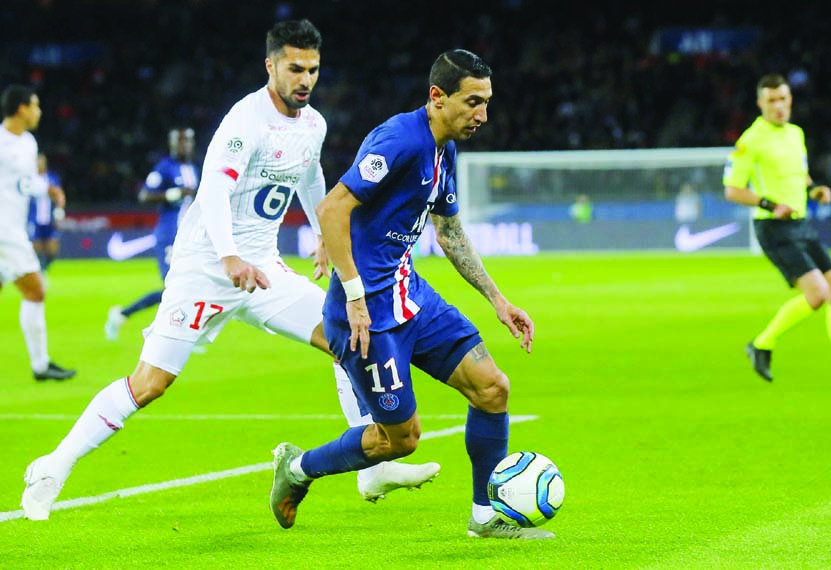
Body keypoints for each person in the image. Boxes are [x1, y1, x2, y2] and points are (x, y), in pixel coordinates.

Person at [20, 19, 439, 522]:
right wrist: (228, 257)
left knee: (344, 338)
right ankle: (53, 468)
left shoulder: (313, 124)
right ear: (271, 66)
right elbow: (214, 191)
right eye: (294, 68)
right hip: (207, 268)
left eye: (313, 69)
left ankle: (370, 468)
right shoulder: (245, 120)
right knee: (149, 383)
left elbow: (311, 176)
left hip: (263, 270)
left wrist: (324, 238)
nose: (305, 79)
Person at [268, 49, 553, 540]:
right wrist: (355, 297)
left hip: (410, 297)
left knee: (492, 388)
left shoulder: (446, 148)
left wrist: (498, 301)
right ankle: (298, 469)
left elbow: (449, 233)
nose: (482, 115)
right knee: (400, 441)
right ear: (437, 97)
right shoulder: (398, 140)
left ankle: (485, 516)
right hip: (366, 318)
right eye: (473, 102)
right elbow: (334, 210)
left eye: (486, 103)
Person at [724, 73, 831, 386]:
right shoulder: (750, 141)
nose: (778, 106)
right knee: (818, 294)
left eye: (783, 99)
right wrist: (771, 205)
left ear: (790, 100)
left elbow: (800, 176)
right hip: (774, 227)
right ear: (760, 104)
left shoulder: (795, 133)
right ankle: (761, 344)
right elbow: (732, 189)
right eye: (771, 101)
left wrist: (815, 190)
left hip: (801, 224)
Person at [0, 85, 75, 381]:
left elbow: (27, 184)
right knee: (36, 289)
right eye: (35, 105)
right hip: (5, 232)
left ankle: (41, 366)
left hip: (13, 228)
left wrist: (50, 189)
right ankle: (41, 366)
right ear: (21, 108)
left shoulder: (29, 143)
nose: (39, 111)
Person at [104, 128, 200, 340]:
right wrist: (173, 193)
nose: (184, 145)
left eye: (188, 141)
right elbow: (145, 195)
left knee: (191, 285)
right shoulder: (164, 168)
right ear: (172, 144)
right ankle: (125, 316)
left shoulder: (194, 168)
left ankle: (184, 333)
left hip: (191, 237)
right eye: (180, 141)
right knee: (173, 288)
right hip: (169, 234)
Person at [27, 153, 66, 272]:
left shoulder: (52, 178)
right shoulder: (29, 178)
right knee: (35, 245)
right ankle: (38, 267)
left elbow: (59, 195)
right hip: (33, 218)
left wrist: (59, 211)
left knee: (52, 246)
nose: (38, 164)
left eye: (41, 161)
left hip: (50, 218)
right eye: (37, 161)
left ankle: (45, 266)